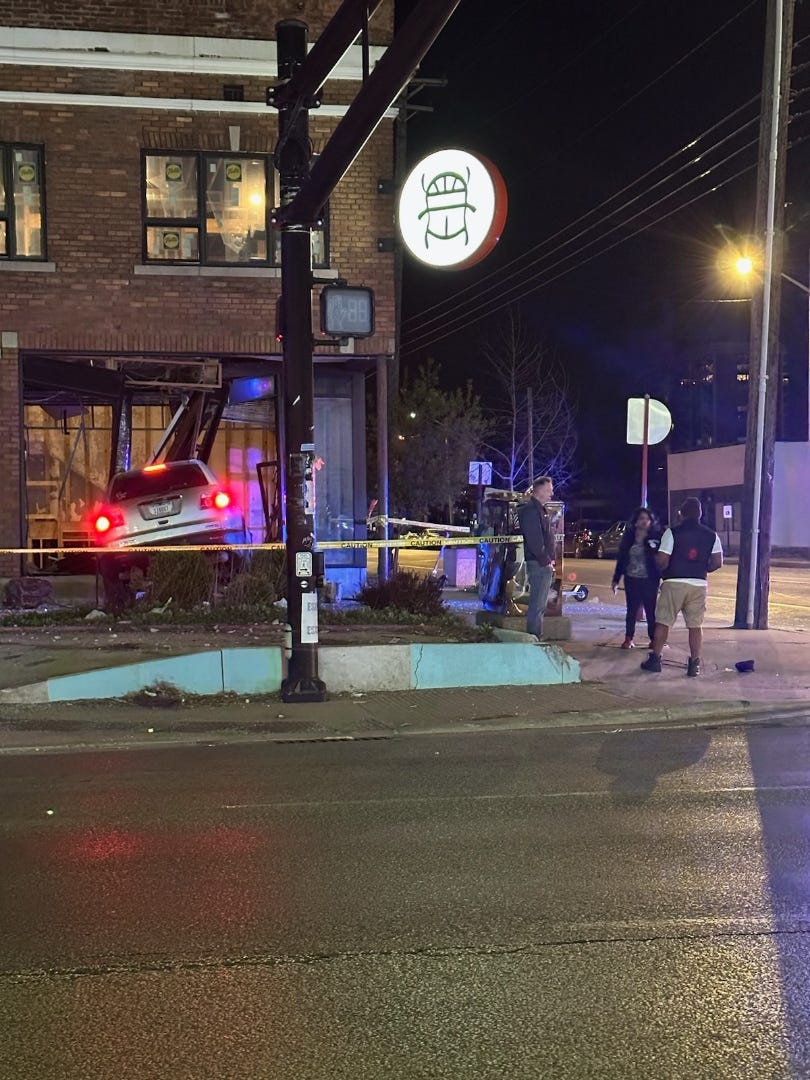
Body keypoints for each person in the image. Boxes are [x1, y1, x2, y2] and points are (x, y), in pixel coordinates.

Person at [641, 496, 723, 677]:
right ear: (700, 514)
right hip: (698, 584)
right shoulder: (711, 535)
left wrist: (656, 561)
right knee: (695, 625)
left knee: (663, 622)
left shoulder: (672, 532)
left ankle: (655, 659)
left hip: (674, 582)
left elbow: (662, 560)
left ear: (681, 514)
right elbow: (717, 562)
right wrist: (702, 568)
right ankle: (694, 664)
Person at [611, 506, 662, 649]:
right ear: (636, 521)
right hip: (632, 579)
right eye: (641, 518)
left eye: (647, 519)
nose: (644, 521)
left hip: (650, 580)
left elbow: (661, 559)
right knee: (631, 610)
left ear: (651, 521)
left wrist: (664, 578)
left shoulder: (656, 536)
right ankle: (628, 638)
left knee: (651, 610)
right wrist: (616, 579)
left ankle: (653, 639)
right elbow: (622, 559)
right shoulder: (629, 537)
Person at [517, 476, 556, 640]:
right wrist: (546, 561)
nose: (551, 493)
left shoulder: (539, 509)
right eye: (549, 490)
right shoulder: (532, 511)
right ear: (540, 491)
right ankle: (534, 637)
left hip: (542, 563)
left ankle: (535, 636)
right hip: (539, 564)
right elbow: (534, 540)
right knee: (537, 604)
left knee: (539, 604)